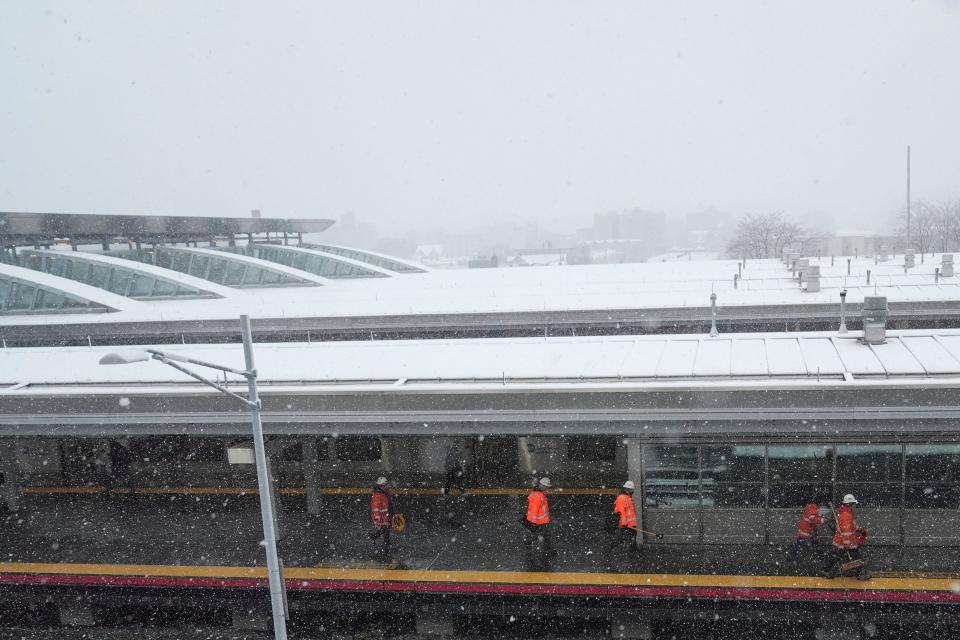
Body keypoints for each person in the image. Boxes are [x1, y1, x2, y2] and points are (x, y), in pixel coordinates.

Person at [822, 494, 870, 580]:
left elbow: (852, 526)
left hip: (842, 542)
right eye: (853, 503)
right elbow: (846, 532)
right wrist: (847, 545)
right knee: (855, 558)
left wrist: (859, 529)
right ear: (849, 504)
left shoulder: (846, 513)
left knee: (836, 557)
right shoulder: (846, 515)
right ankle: (860, 574)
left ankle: (828, 571)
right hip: (845, 542)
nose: (854, 505)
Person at [521, 477, 553, 553]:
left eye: (546, 487)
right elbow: (535, 509)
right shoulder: (538, 495)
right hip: (539, 520)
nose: (546, 488)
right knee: (544, 534)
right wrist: (533, 522)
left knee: (540, 533)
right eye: (545, 486)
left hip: (539, 520)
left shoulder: (538, 493)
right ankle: (548, 550)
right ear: (541, 485)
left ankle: (528, 541)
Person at [608, 480, 640, 554]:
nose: (631, 491)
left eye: (632, 490)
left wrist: (633, 524)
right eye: (630, 490)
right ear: (626, 489)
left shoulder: (629, 498)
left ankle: (633, 553)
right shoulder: (621, 498)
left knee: (632, 539)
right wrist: (624, 523)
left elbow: (631, 512)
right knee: (620, 540)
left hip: (631, 525)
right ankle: (610, 552)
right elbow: (621, 511)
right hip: (625, 525)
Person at [369, 477, 394, 559]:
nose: (386, 487)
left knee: (386, 533)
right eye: (384, 486)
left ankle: (387, 550)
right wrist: (378, 521)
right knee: (385, 533)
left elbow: (388, 507)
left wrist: (390, 517)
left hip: (386, 519)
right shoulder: (378, 496)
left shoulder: (383, 494)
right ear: (380, 486)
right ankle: (386, 551)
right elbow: (376, 509)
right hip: (382, 520)